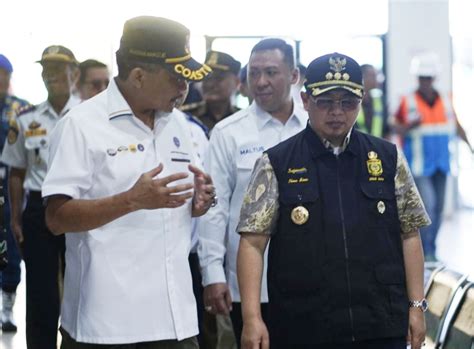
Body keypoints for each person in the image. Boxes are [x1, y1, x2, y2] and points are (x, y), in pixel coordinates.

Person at [42, 16, 216, 348]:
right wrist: (131, 200)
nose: (185, 88)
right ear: (138, 76)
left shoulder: (178, 124)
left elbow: (171, 203)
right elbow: (56, 218)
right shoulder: (81, 125)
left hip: (175, 318)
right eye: (177, 78)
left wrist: (199, 203)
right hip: (107, 323)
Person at [237, 52, 430, 349]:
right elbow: (252, 242)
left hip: (379, 324)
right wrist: (252, 317)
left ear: (361, 101)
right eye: (325, 101)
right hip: (304, 327)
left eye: (347, 102)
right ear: (305, 100)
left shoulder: (387, 158)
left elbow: (410, 233)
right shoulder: (277, 163)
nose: (337, 112)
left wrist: (416, 306)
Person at [197, 38, 308, 348]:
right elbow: (213, 208)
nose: (261, 82)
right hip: (249, 288)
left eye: (271, 72)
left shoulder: (314, 127)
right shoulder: (229, 133)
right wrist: (212, 273)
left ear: (294, 75)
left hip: (312, 282)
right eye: (254, 73)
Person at [1, 45, 80, 348]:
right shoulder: (26, 118)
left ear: (74, 73)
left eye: (58, 69)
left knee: (83, 286)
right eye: (46, 69)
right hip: (38, 207)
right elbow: (17, 172)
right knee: (41, 291)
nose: (51, 75)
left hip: (81, 206)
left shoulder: (91, 114)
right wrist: (16, 219)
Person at [392, 52, 472, 262]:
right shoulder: (407, 100)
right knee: (426, 206)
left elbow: (456, 126)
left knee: (437, 208)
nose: (425, 82)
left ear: (434, 78)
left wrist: (470, 148)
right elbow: (394, 127)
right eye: (422, 78)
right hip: (419, 165)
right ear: (417, 78)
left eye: (428, 78)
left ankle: (431, 249)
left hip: (441, 164)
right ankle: (424, 251)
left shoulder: (446, 98)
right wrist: (409, 126)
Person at [0, 53, 30, 332]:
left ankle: (7, 309)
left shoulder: (21, 110)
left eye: (3, 73)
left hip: (9, 191)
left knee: (9, 251)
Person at [185, 50, 241, 131]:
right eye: (207, 78)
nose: (210, 84)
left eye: (218, 78)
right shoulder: (186, 116)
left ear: (236, 82)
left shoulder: (242, 118)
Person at [355, 64, 389, 138]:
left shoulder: (380, 101)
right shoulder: (351, 103)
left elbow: (386, 130)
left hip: (378, 147)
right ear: (363, 78)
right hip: (357, 147)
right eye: (373, 76)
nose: (376, 79)